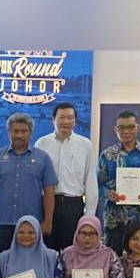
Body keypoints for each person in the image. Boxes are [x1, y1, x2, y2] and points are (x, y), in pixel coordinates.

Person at [0, 113, 58, 254]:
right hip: (1, 222)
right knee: (0, 264)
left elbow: (49, 192)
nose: (19, 135)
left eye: (24, 131)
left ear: (30, 133)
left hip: (32, 225)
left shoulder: (43, 158)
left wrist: (48, 221)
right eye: (15, 131)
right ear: (9, 132)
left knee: (29, 267)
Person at [35, 102, 98, 252]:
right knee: (46, 251)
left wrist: (89, 215)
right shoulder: (41, 144)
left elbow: (90, 180)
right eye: (61, 117)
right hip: (46, 205)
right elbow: (35, 180)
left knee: (71, 251)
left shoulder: (85, 145)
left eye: (70, 118)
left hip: (73, 205)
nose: (66, 122)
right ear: (53, 120)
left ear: (75, 121)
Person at [97, 110, 140, 256]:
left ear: (137, 128)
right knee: (113, 259)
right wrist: (107, 193)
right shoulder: (106, 155)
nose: (126, 131)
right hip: (115, 218)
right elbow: (98, 184)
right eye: (121, 128)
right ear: (116, 129)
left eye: (131, 127)